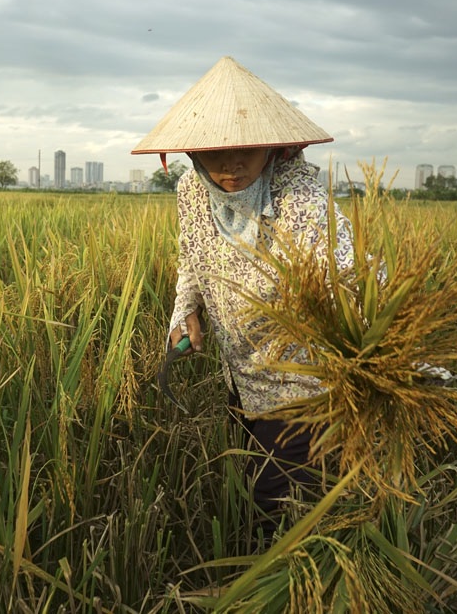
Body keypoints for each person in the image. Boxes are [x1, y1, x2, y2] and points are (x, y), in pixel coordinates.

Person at [132, 57, 355, 543]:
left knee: (281, 506)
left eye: (245, 151)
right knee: (252, 483)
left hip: (300, 383)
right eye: (213, 155)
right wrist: (183, 310)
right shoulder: (192, 189)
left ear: (273, 148)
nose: (229, 167)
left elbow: (343, 269)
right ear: (193, 155)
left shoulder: (300, 195)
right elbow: (191, 255)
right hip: (241, 371)